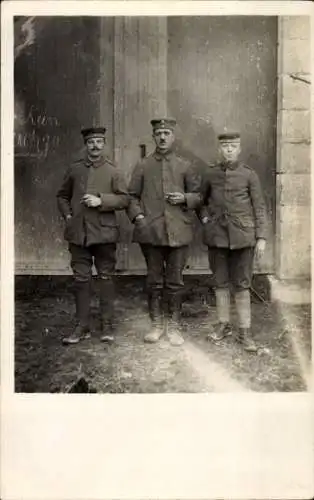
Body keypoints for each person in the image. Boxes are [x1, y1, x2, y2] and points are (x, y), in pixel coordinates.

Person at [128, 118, 202, 346]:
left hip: (179, 231)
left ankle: (174, 326)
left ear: (173, 137)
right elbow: (131, 197)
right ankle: (157, 325)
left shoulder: (185, 166)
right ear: (153, 137)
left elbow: (199, 196)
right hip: (151, 233)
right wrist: (139, 218)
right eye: (158, 133)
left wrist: (185, 198)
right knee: (154, 280)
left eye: (167, 133)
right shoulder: (143, 165)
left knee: (175, 281)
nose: (162, 137)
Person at [56, 127, 129, 345]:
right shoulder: (74, 169)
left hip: (104, 233)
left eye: (99, 141)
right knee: (81, 280)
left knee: (106, 279)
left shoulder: (113, 171)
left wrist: (102, 200)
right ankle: (82, 325)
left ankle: (107, 324)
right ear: (86, 145)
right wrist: (68, 216)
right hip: (78, 234)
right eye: (91, 142)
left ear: (104, 144)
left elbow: (124, 200)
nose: (95, 146)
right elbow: (62, 196)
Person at [199, 132, 268, 352]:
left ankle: (245, 331)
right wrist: (205, 219)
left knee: (242, 284)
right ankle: (223, 325)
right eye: (225, 146)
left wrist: (262, 237)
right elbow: (201, 201)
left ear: (239, 149)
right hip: (217, 237)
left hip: (243, 237)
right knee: (220, 282)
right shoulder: (210, 174)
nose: (229, 150)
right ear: (219, 149)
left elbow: (259, 207)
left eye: (233, 146)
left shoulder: (249, 175)